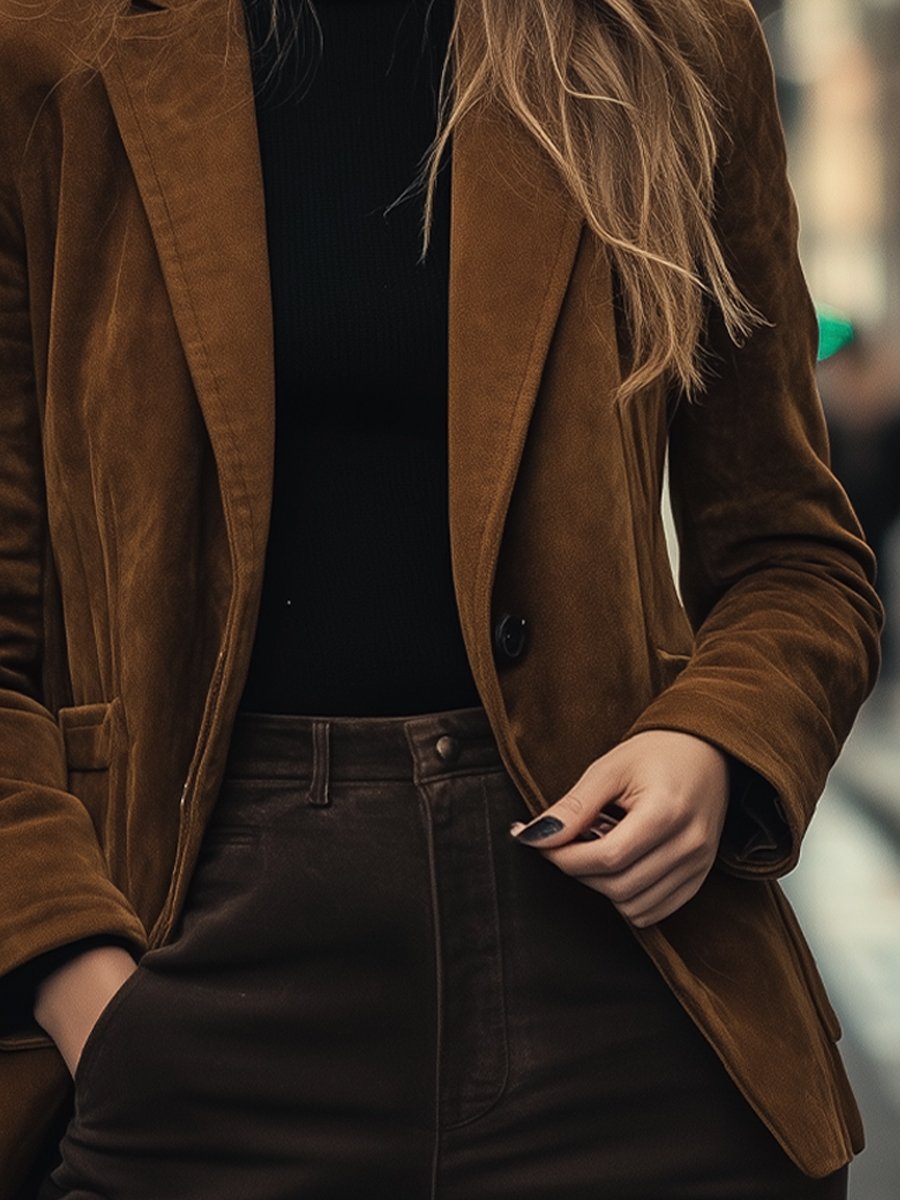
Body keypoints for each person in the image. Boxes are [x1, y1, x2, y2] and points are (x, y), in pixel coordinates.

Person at [0, 0, 882, 1196]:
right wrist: (74, 978)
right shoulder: (50, 45)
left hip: (620, 982)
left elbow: (796, 550)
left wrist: (714, 740)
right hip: (185, 971)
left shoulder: (665, 37)